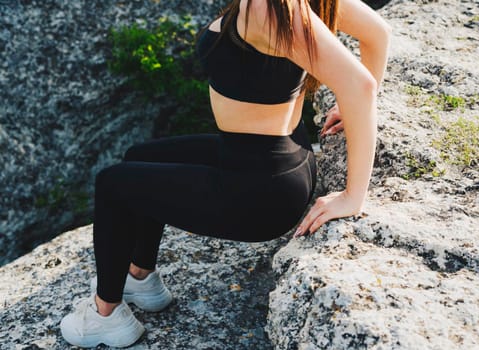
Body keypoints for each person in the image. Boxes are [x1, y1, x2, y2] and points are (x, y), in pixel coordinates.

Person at [59, 0, 391, 347]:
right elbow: (378, 34)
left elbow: (361, 86)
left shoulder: (268, 6)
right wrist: (347, 108)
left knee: (112, 184)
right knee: (137, 158)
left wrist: (354, 196)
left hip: (257, 192)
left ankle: (105, 316)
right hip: (272, 158)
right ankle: (141, 279)